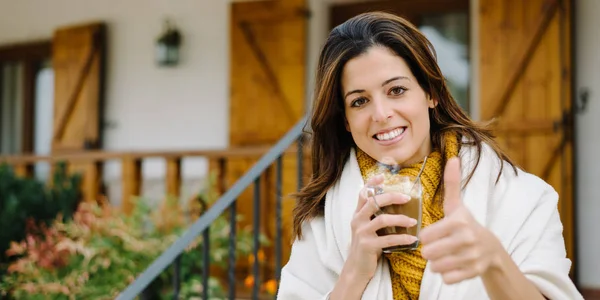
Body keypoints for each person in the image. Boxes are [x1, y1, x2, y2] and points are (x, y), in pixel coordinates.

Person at [276, 11, 582, 300]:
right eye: (359, 102)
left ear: (431, 93)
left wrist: (494, 260)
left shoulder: (524, 198)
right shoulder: (321, 220)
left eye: (396, 90)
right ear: (345, 120)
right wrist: (354, 274)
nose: (381, 114)